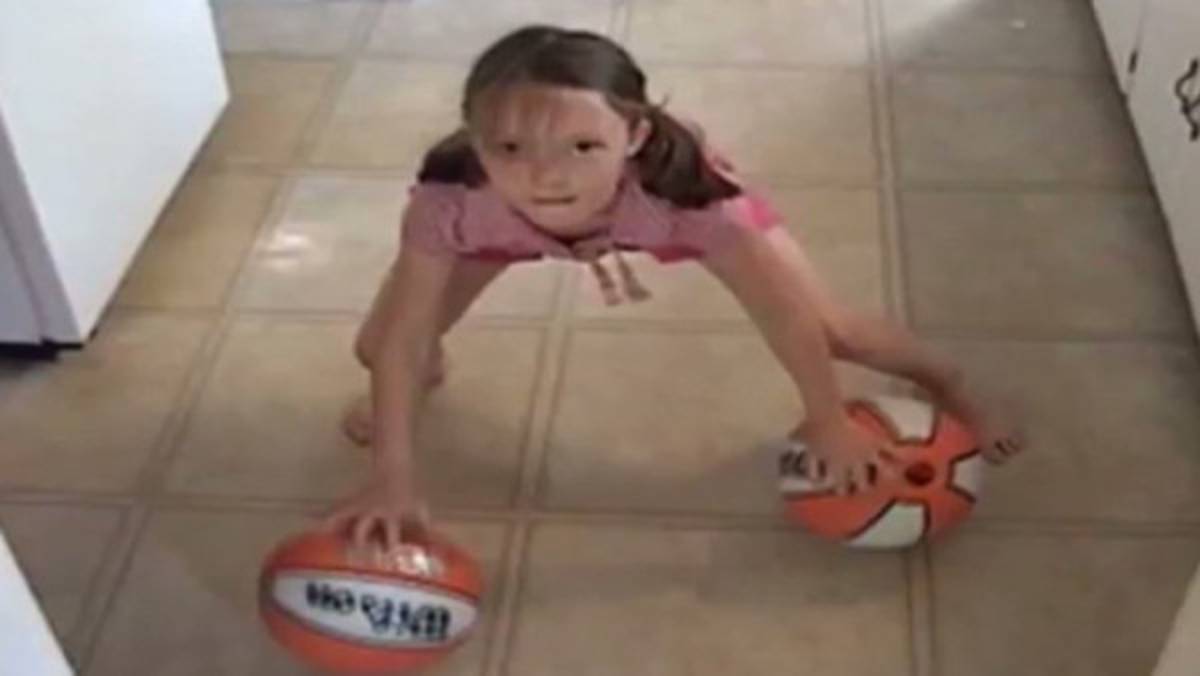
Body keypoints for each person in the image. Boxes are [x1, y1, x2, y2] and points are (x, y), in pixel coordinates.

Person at [324, 25, 1022, 549]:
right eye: (510, 148)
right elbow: (407, 328)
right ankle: (429, 375)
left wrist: (830, 417)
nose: (545, 175)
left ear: (632, 135)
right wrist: (394, 473)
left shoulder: (692, 197)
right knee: (382, 349)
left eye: (582, 146)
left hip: (658, 215)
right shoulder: (450, 198)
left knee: (831, 330)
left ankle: (951, 382)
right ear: (475, 142)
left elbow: (779, 314)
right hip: (499, 232)